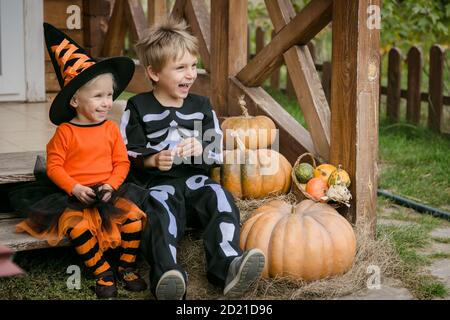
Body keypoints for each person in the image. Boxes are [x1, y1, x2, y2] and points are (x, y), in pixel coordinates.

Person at [121, 18, 265, 300]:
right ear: (153, 72)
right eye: (180, 68)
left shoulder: (201, 106)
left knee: (221, 198)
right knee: (160, 212)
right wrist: (152, 160)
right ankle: (168, 274)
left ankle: (228, 266)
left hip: (195, 179)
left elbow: (216, 150)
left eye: (192, 66)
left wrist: (200, 146)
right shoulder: (137, 106)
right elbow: (128, 148)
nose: (190, 75)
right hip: (157, 183)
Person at [8, 23, 147, 299]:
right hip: (75, 196)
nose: (107, 102)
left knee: (133, 219)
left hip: (108, 191)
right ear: (75, 100)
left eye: (109, 95)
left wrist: (111, 184)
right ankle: (102, 271)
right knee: (78, 228)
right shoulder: (65, 132)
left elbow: (121, 163)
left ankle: (126, 266)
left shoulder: (110, 129)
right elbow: (54, 166)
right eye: (98, 96)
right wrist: (73, 188)